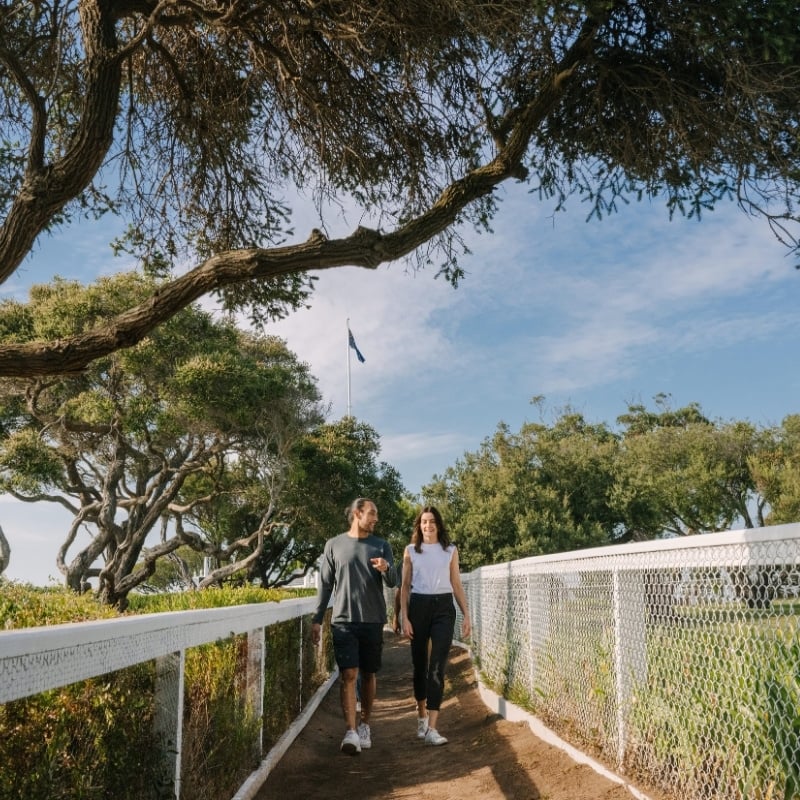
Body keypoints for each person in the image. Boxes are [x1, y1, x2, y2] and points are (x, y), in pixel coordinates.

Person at [311, 498, 397, 755]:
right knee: (348, 675)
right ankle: (350, 731)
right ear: (357, 513)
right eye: (372, 513)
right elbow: (325, 586)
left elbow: (394, 582)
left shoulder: (381, 545)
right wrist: (317, 620)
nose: (375, 519)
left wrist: (386, 568)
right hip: (344, 621)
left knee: (368, 675)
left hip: (372, 620)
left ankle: (365, 725)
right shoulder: (334, 545)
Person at [401, 505, 470, 746]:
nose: (427, 525)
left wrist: (467, 614)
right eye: (423, 522)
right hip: (419, 606)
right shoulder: (411, 550)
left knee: (438, 667)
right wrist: (405, 617)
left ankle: (432, 727)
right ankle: (421, 715)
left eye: (431, 521)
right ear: (419, 526)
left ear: (438, 525)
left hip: (443, 608)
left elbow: (457, 583)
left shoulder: (449, 550)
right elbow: (405, 585)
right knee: (420, 665)